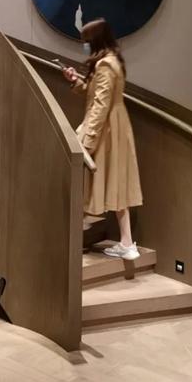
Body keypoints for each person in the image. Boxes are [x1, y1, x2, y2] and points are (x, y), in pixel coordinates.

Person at [63, 18, 142, 260]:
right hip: (114, 127)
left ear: (95, 40)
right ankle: (126, 242)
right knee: (116, 182)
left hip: (106, 129)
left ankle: (84, 227)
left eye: (86, 41)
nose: (84, 46)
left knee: (91, 179)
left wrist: (88, 140)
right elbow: (96, 94)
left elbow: (100, 105)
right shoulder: (112, 61)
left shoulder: (105, 65)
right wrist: (76, 81)